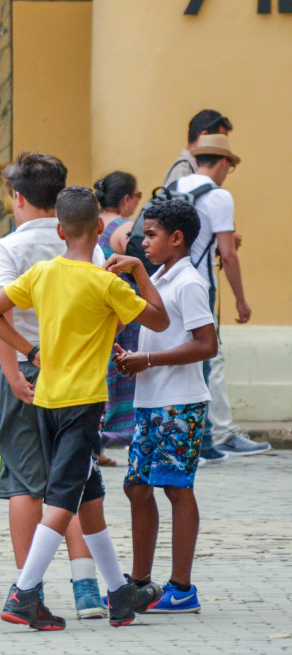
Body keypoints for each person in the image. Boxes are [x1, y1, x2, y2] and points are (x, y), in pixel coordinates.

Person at [0, 186, 170, 631]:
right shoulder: (107, 283)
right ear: (100, 228)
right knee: (63, 499)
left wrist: (31, 350)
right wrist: (140, 271)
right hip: (84, 405)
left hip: (45, 399)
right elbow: (160, 320)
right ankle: (24, 594)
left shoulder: (42, 273)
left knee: (89, 492)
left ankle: (120, 595)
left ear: (61, 230)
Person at [0, 152, 108, 620]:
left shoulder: (7, 247)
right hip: (76, 373)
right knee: (70, 479)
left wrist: (13, 371)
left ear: (17, 198)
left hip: (28, 368)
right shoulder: (83, 244)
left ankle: (26, 587)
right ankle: (86, 586)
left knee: (23, 483)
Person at [114, 199, 216, 614]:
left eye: (151, 234)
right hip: (150, 400)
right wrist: (134, 358)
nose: (144, 242)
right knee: (136, 486)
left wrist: (150, 359)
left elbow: (205, 344)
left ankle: (182, 587)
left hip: (180, 404)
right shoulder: (160, 276)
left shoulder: (189, 282)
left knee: (176, 486)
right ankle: (140, 583)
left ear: (177, 238)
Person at [171, 133, 269, 459]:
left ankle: (182, 434)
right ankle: (204, 442)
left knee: (179, 356)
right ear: (224, 162)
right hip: (199, 285)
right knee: (205, 359)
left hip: (168, 284)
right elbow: (228, 256)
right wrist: (241, 300)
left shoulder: (174, 189)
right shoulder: (219, 196)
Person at [93, 171, 143, 459]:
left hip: (102, 310)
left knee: (106, 375)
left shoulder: (95, 225)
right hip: (125, 312)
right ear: (126, 199)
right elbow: (142, 263)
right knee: (121, 377)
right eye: (137, 196)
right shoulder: (125, 228)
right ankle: (110, 438)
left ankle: (96, 444)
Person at [163, 109, 232, 187]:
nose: (223, 147)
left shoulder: (194, 167)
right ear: (204, 136)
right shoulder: (183, 169)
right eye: (220, 141)